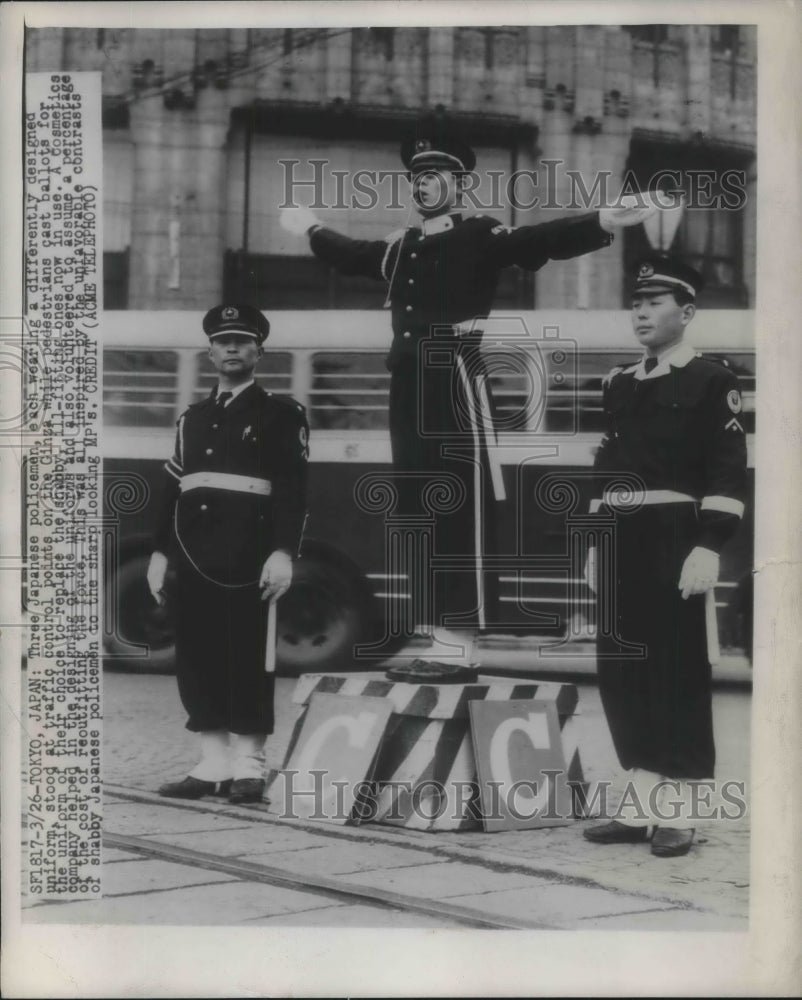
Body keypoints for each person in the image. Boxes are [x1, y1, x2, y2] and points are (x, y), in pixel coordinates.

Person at [280, 122, 653, 666]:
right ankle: (436, 631)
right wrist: (312, 228)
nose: (423, 185)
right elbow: (353, 255)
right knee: (418, 504)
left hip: (454, 372)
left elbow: (536, 241)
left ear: (458, 185)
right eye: (417, 177)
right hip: (408, 379)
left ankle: (463, 635)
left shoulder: (479, 233)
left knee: (460, 504)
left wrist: (601, 219)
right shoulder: (403, 245)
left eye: (434, 176)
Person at [583, 256, 747, 857]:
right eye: (636, 302)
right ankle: (641, 800)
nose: (641, 312)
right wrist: (596, 542)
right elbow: (607, 468)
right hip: (622, 535)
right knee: (622, 672)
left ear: (688, 311)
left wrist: (709, 544)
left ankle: (681, 809)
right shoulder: (620, 383)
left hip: (677, 537)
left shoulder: (712, 380)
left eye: (654, 302)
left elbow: (728, 471)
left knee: (676, 672)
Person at [146, 304, 309, 804]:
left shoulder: (281, 413)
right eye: (223, 340)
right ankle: (212, 763)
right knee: (197, 656)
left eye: (242, 340)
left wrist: (283, 552)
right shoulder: (191, 418)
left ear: (259, 350)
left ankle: (248, 765)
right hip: (193, 556)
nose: (232, 347)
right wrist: (158, 553)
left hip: (248, 556)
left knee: (247, 659)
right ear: (210, 351)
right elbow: (172, 491)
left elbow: (294, 489)